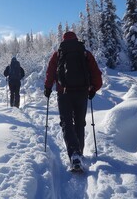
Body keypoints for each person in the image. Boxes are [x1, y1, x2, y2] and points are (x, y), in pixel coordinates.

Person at [44, 31, 102, 170]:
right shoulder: (85, 53)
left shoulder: (58, 54)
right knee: (80, 123)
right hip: (82, 92)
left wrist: (47, 88)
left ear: (63, 41)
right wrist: (94, 89)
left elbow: (50, 72)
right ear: (76, 40)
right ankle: (79, 152)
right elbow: (96, 73)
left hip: (64, 93)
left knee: (67, 122)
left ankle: (74, 154)